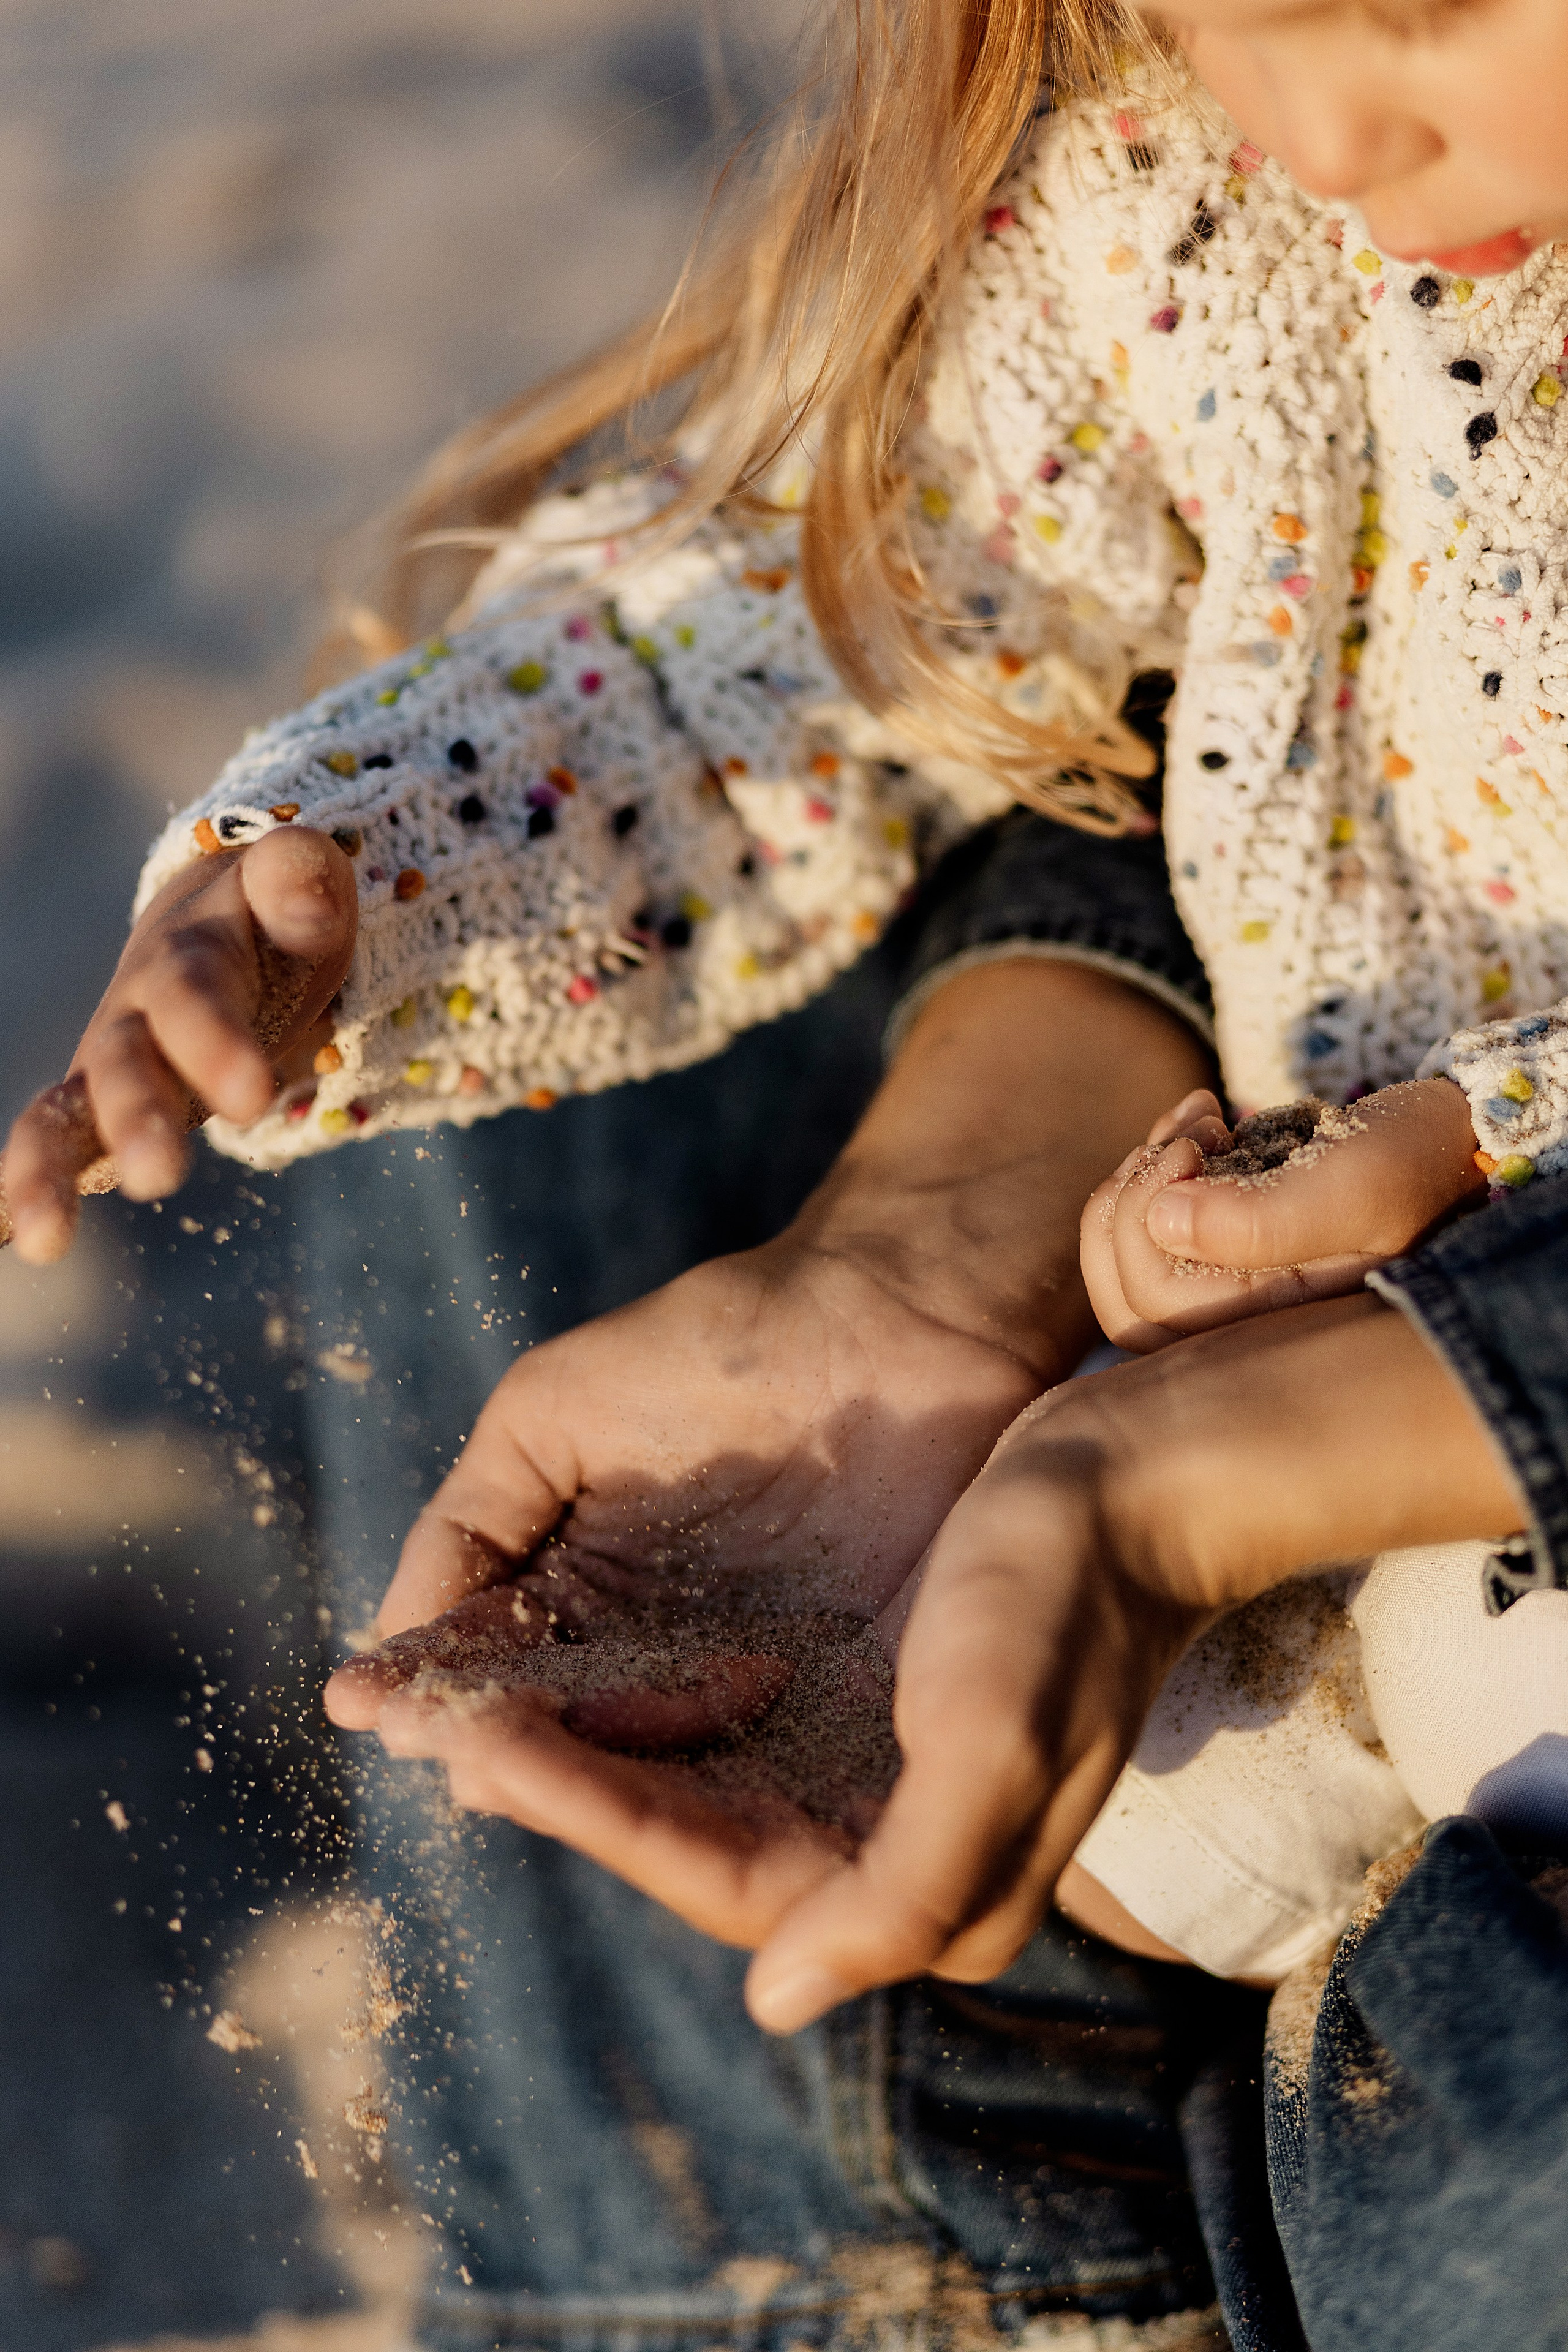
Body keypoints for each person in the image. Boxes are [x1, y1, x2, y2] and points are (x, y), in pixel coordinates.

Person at [7, 0, 1568, 2343]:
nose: (1334, 126)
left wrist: (1471, 1149)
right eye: (1227, 11)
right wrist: (357, 871)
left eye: (1429, 7)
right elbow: (778, 648)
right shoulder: (1185, 209)